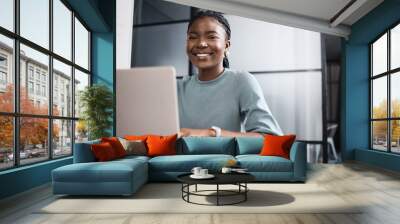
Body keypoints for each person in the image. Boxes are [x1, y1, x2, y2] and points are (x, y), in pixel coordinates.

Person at [178, 10, 283, 138]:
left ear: (226, 46)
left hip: (225, 158)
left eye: (211, 37)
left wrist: (212, 133)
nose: (201, 44)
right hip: (176, 158)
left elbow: (271, 137)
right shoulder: (177, 87)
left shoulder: (241, 81)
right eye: (193, 37)